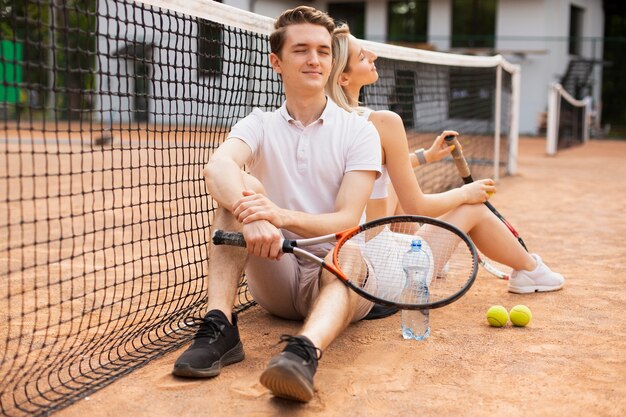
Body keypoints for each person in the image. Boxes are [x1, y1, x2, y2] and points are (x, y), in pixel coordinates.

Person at [172, 7, 382, 403]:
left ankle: (302, 354)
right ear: (277, 62)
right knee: (239, 192)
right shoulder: (259, 122)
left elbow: (346, 219)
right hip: (276, 268)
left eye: (323, 50)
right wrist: (252, 215)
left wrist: (278, 216)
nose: (314, 59)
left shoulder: (359, 131)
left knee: (349, 247)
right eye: (301, 49)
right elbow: (218, 165)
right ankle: (220, 326)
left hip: (339, 274)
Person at [326, 24, 565, 295]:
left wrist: (425, 156)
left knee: (390, 184)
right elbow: (418, 205)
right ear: (344, 78)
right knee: (474, 208)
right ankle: (531, 270)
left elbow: (367, 166)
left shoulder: (322, 121)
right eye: (361, 56)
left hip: (335, 258)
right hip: (377, 275)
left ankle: (429, 261)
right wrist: (466, 193)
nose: (373, 54)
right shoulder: (383, 122)